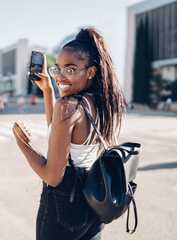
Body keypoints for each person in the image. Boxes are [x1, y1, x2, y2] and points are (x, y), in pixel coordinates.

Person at [12, 27, 127, 239]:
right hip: (94, 202)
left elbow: (53, 176)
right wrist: (47, 90)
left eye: (70, 69)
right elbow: (59, 133)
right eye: (58, 69)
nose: (60, 77)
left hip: (64, 206)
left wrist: (23, 143)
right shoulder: (101, 103)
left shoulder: (68, 106)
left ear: (91, 72)